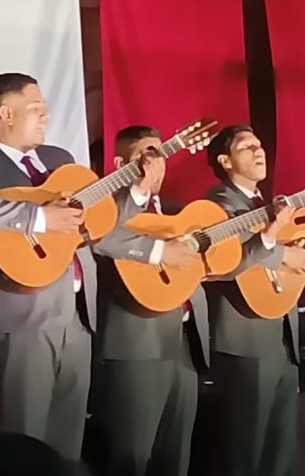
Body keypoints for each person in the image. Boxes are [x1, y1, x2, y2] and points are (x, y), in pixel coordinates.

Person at [0, 72, 93, 460]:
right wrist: (41, 219)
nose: (45, 115)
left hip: (77, 312)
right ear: (5, 113)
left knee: (70, 437)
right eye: (35, 108)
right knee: (26, 440)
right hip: (23, 312)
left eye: (44, 108)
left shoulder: (59, 161)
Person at [92, 125, 208, 476]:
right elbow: (105, 238)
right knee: (132, 455)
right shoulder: (105, 207)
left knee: (176, 456)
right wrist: (138, 191)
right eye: (147, 155)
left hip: (182, 344)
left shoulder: (176, 212)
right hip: (135, 345)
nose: (159, 164)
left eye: (162, 155)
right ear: (119, 163)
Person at [204, 125, 302, 476]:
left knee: (281, 451)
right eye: (247, 147)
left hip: (282, 339)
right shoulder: (217, 205)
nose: (259, 151)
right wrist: (279, 248)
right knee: (244, 452)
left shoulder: (271, 203)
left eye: (260, 145)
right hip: (244, 342)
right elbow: (225, 260)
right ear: (225, 161)